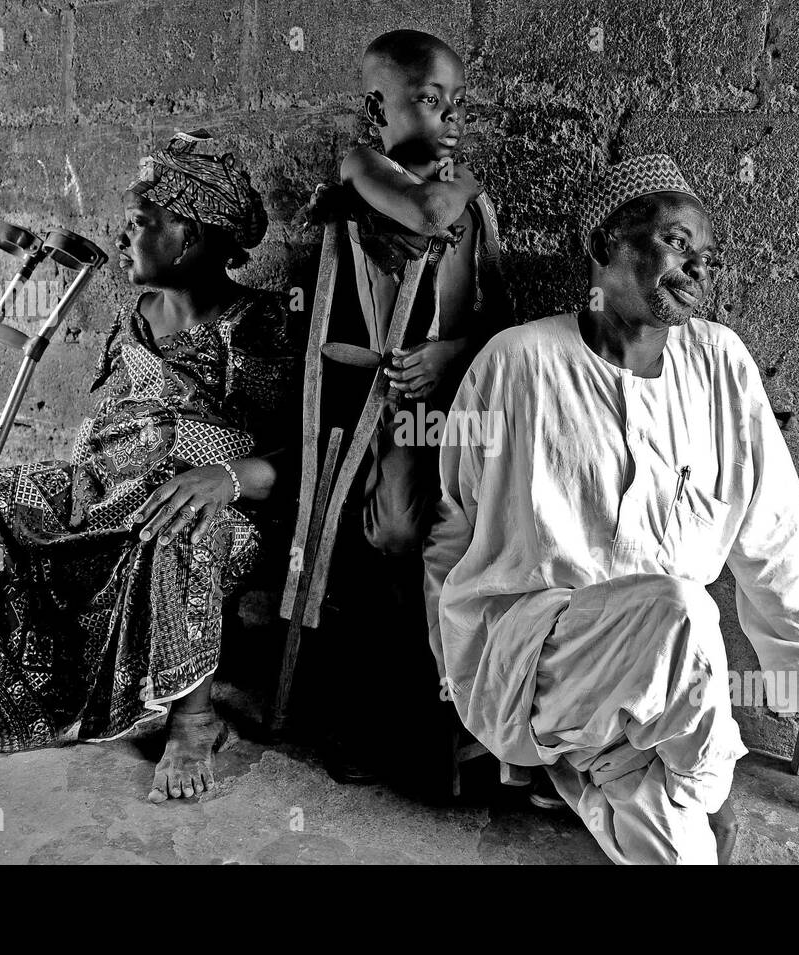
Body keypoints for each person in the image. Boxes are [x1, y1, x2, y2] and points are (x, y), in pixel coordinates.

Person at [423, 153, 799, 863]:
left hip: (668, 694)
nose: (696, 268)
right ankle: (711, 789)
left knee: (684, 855)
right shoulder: (517, 362)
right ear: (602, 247)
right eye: (677, 242)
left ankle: (607, 772)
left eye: (706, 256)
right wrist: (458, 675)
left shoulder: (720, 363)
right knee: (680, 608)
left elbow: (775, 527)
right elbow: (452, 532)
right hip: (541, 657)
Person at [0, 129, 302, 804]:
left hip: (221, 508)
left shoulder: (259, 325)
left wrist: (228, 477)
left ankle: (193, 720)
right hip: (106, 489)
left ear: (189, 235)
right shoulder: (138, 315)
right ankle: (40, 675)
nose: (122, 238)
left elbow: (296, 456)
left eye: (139, 224)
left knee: (177, 527)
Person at [304, 29, 512, 785]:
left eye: (456, 102)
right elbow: (426, 212)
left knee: (468, 540)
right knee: (394, 529)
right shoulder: (363, 169)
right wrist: (467, 185)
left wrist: (451, 353)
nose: (448, 117)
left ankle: (462, 716)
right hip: (388, 403)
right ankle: (387, 713)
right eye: (428, 100)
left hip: (462, 404)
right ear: (376, 106)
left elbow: (499, 315)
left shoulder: (473, 210)